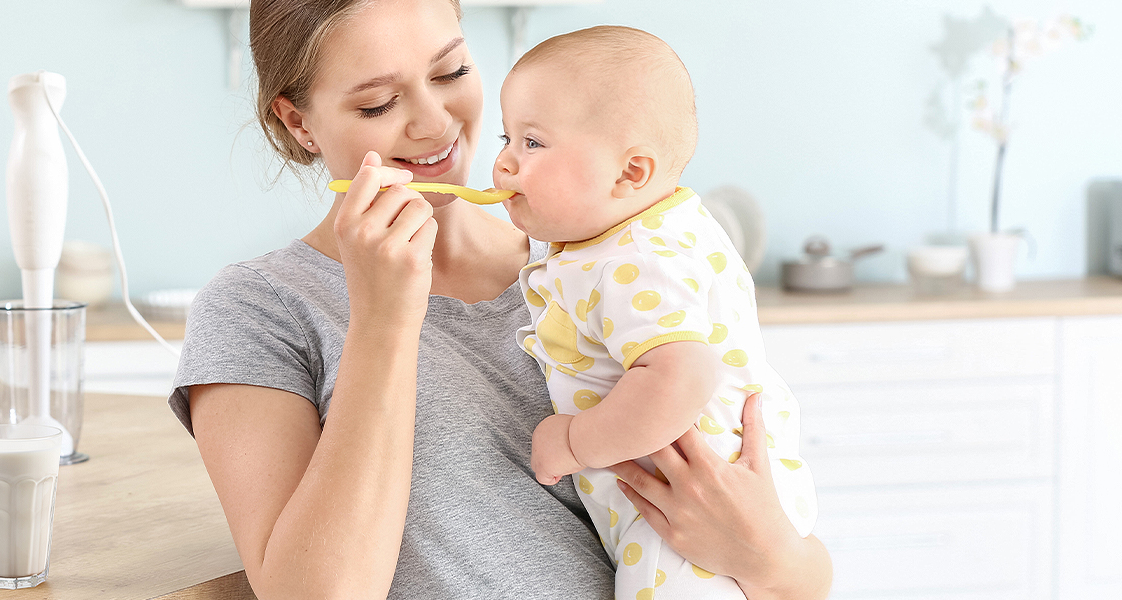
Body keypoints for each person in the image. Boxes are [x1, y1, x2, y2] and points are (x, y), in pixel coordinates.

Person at [167, 1, 833, 598]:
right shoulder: (260, 309)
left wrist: (769, 556)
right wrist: (383, 317)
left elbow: (801, 573)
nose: (434, 123)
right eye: (377, 104)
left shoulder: (608, 266)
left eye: (451, 71)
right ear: (298, 121)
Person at [494, 26, 818, 599]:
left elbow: (683, 377)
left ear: (630, 174)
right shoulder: (649, 228)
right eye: (507, 139)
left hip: (691, 505)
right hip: (719, 501)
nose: (504, 164)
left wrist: (573, 441)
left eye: (533, 143)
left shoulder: (638, 260)